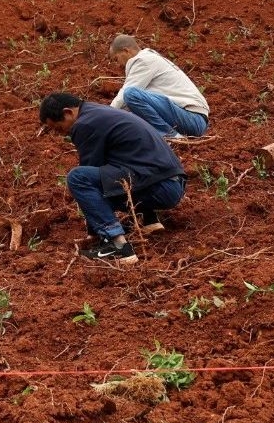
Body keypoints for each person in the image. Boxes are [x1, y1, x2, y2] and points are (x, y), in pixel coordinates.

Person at [39, 93, 187, 265]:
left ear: (68, 113)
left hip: (160, 188)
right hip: (173, 182)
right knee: (117, 168)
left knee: (78, 178)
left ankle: (117, 245)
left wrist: (95, 231)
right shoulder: (98, 112)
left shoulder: (85, 124)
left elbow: (92, 175)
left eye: (58, 128)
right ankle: (149, 220)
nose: (61, 134)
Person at [108, 35, 210, 140]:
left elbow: (123, 97)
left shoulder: (143, 61)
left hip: (192, 118)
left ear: (126, 51)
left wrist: (105, 117)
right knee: (133, 111)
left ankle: (171, 136)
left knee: (130, 94)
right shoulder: (150, 58)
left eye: (116, 58)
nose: (118, 64)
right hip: (193, 119)